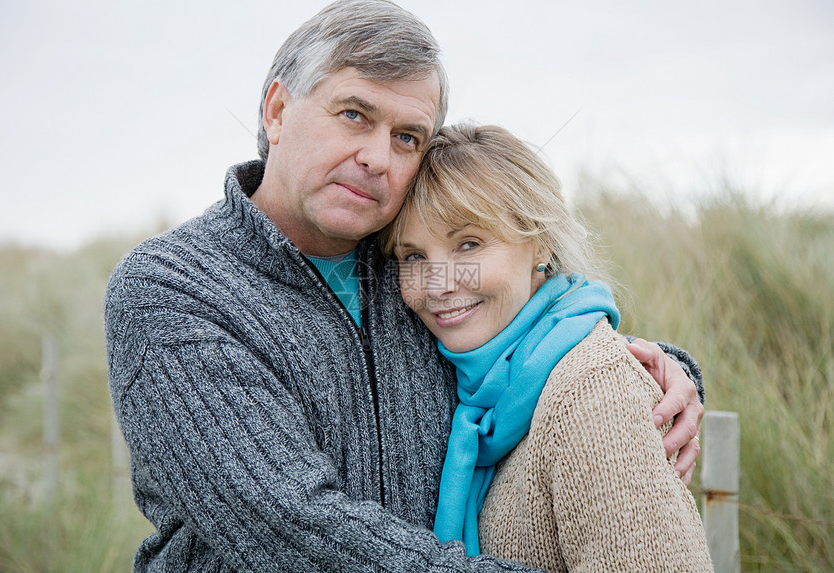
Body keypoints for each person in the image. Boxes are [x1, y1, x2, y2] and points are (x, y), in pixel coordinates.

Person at [104, 1, 705, 571]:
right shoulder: (172, 290)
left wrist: (653, 373)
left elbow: (528, 335)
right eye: (354, 115)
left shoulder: (410, 267)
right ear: (278, 112)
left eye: (407, 137)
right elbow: (290, 525)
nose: (376, 157)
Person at [382, 122, 713, 571]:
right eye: (414, 257)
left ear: (539, 243)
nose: (437, 284)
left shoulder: (596, 393)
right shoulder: (479, 382)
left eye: (469, 244)